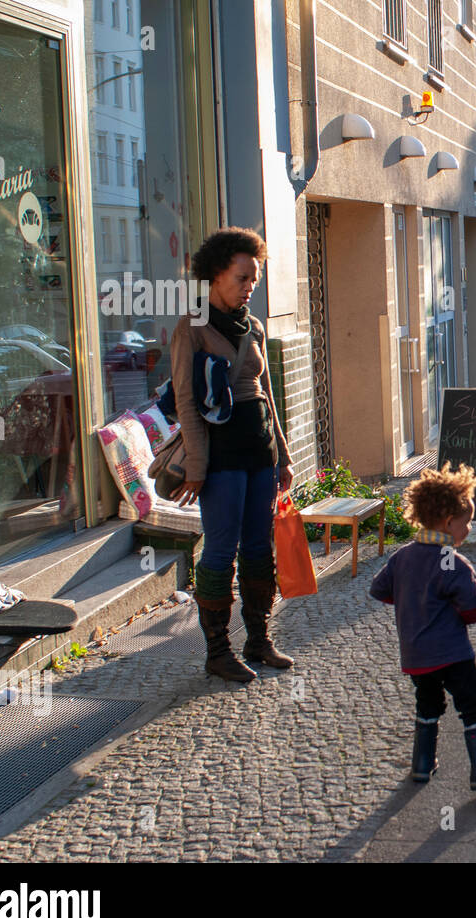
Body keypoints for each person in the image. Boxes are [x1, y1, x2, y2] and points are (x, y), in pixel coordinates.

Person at [170, 227, 295, 683]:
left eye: (254, 280)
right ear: (215, 274)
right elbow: (186, 402)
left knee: (260, 548)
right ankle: (218, 652)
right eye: (243, 278)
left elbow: (267, 394)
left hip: (259, 449)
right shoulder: (192, 327)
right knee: (221, 549)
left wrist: (283, 455)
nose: (249, 287)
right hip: (221, 455)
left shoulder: (254, 326)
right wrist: (196, 465)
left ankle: (259, 639)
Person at [369, 462, 476, 791]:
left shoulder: (402, 557)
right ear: (448, 522)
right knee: (474, 704)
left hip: (416, 656)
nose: (468, 529)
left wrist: (412, 600)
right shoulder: (453, 562)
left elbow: (379, 590)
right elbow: (472, 610)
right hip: (452, 654)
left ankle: (422, 764)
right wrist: (468, 611)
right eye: (466, 523)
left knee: (428, 703)